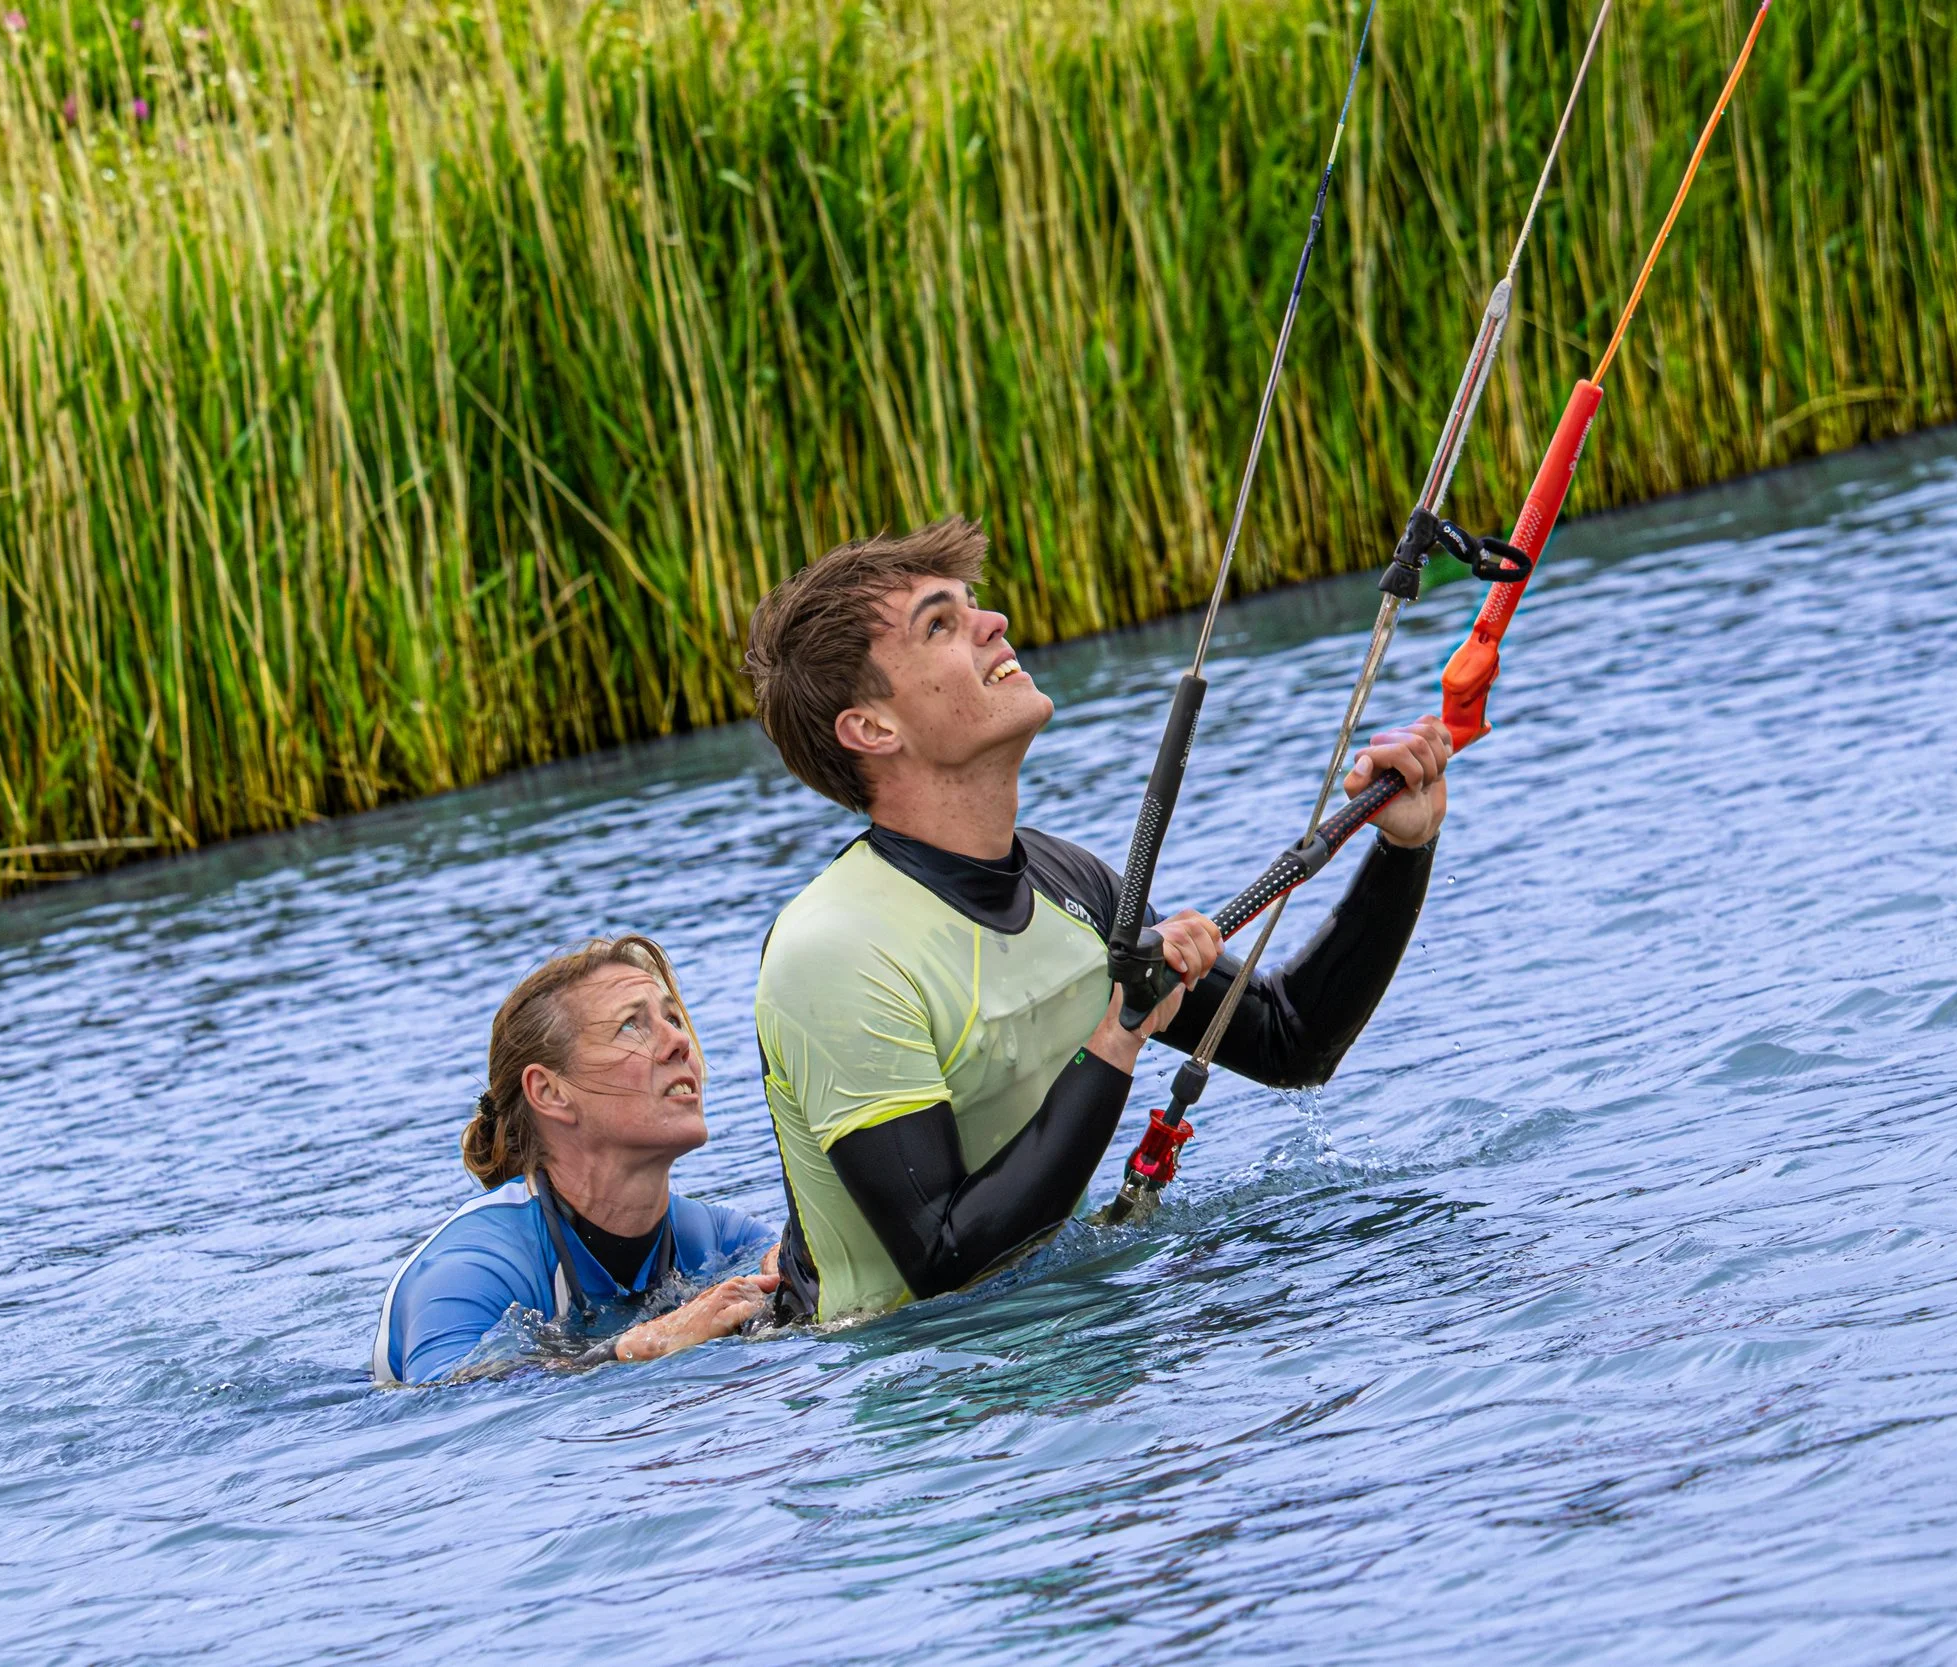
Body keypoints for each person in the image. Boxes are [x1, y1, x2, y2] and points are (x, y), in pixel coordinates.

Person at [743, 518, 1452, 1323]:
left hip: (1063, 1319)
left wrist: (1404, 846)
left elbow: (1291, 1040)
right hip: (917, 1373)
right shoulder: (833, 951)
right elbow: (946, 1258)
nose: (992, 622)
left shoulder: (1065, 878)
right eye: (940, 624)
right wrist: (1117, 1038)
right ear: (872, 728)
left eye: (974, 603)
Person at [374, 936, 777, 1385]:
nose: (680, 1042)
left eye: (672, 1019)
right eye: (631, 1026)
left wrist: (802, 1267)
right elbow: (448, 1400)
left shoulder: (723, 1242)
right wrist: (641, 1346)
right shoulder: (468, 1270)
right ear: (550, 1093)